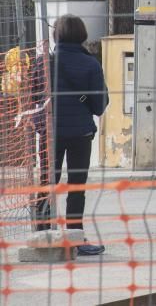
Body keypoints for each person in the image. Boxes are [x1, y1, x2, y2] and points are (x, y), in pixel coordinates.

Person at [34, 14, 108, 256]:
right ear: (81, 35)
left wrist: (40, 126)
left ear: (57, 35)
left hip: (49, 134)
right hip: (80, 134)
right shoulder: (91, 64)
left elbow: (33, 101)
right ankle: (76, 237)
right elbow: (99, 106)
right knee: (77, 187)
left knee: (46, 182)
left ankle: (41, 234)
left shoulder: (43, 62)